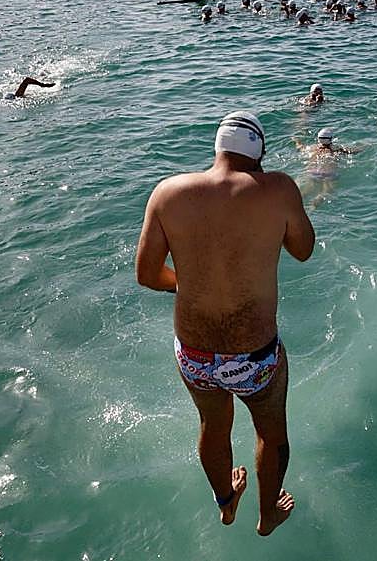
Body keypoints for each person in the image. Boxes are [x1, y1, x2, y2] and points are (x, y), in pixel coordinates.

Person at [135, 111, 314, 536]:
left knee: (213, 426)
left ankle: (225, 501)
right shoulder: (278, 188)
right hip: (255, 357)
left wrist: (188, 285)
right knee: (270, 434)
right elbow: (303, 249)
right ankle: (267, 513)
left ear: (217, 150)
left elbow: (147, 274)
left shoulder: (168, 193)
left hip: (194, 353)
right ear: (260, 154)